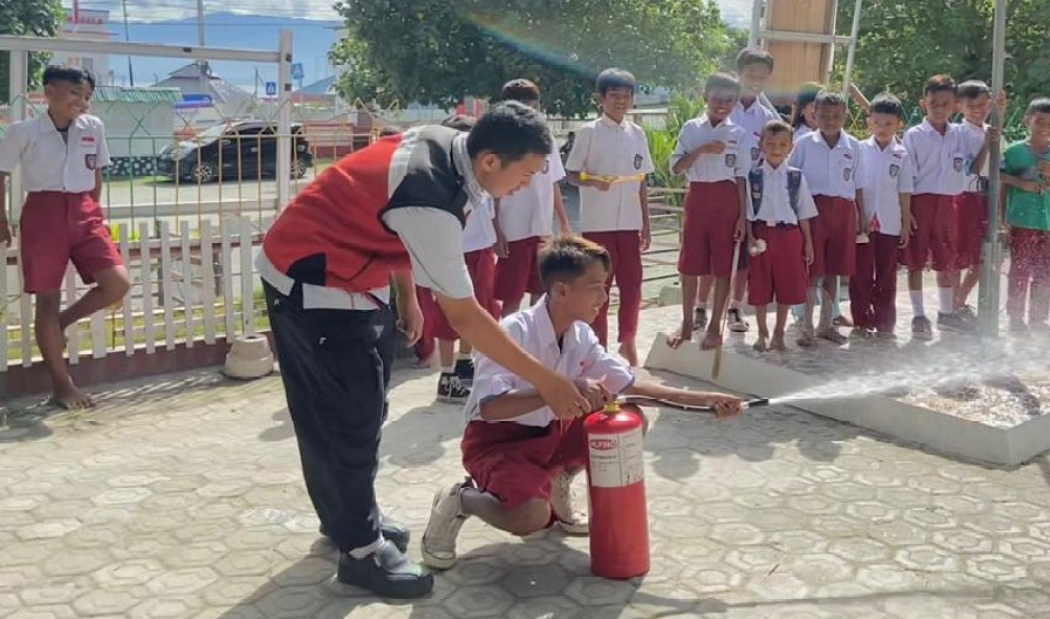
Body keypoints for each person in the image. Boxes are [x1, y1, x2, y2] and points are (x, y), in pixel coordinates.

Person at [258, 101, 589, 599]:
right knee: (348, 416)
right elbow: (465, 316)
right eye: (525, 175)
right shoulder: (430, 197)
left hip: (351, 274)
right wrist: (545, 378)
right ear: (491, 161)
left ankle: (347, 521)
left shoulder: (449, 145)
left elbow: (384, 213)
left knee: (353, 409)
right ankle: (361, 553)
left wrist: (406, 295)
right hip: (313, 281)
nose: (527, 187)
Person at [420, 234, 745, 569]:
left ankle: (558, 478)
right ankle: (461, 499)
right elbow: (489, 408)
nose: (604, 297)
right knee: (530, 517)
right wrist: (557, 388)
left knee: (628, 420)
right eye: (596, 286)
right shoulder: (513, 331)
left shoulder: (581, 335)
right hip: (498, 444)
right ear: (561, 290)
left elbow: (631, 387)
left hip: (551, 435)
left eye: (606, 286)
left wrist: (705, 400)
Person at [0, 65, 131, 410]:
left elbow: (96, 173)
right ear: (50, 92)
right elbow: (1, 175)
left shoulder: (93, 127)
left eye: (87, 96)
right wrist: (1, 218)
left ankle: (62, 323)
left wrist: (94, 213)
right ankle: (62, 385)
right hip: (43, 213)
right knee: (46, 298)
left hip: (84, 210)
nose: (82, 102)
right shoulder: (23, 132)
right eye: (75, 93)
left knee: (116, 282)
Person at [564, 68, 654, 366]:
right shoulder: (589, 132)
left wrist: (645, 223)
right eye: (614, 95)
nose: (620, 101)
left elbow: (641, 180)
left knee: (633, 286)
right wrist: (593, 181)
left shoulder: (637, 133)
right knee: (598, 289)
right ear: (600, 99)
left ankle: (627, 340)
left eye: (626, 96)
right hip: (598, 223)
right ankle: (596, 347)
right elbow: (572, 173)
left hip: (629, 223)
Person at [699, 48, 782, 335]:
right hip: (719, 189)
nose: (755, 80)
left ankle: (735, 306)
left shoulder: (767, 116)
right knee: (712, 252)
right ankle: (700, 307)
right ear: (739, 73)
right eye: (750, 74)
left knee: (745, 250)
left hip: (752, 189)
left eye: (762, 75)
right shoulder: (722, 107)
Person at [667, 72, 751, 351]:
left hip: (727, 201)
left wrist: (742, 216)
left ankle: (716, 326)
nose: (721, 104)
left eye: (728, 100)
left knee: (724, 265)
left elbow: (741, 178)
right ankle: (688, 322)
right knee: (690, 264)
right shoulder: (692, 129)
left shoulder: (739, 135)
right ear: (706, 97)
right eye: (716, 98)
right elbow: (677, 167)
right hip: (699, 197)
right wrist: (701, 149)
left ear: (736, 103)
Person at [901, 74, 976, 339]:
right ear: (924, 103)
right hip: (920, 203)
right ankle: (919, 315)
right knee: (915, 260)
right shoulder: (915, 135)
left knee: (947, 261)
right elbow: (906, 175)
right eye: (934, 103)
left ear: (955, 105)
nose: (939, 108)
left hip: (948, 204)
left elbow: (974, 162)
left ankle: (946, 313)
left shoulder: (960, 135)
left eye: (945, 103)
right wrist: (906, 210)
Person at [789, 91, 865, 346]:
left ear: (845, 116)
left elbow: (859, 185)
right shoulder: (804, 144)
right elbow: (792, 179)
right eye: (824, 115)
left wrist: (861, 217)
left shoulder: (853, 145)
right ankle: (806, 326)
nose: (830, 121)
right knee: (812, 270)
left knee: (834, 270)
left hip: (843, 212)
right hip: (813, 211)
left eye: (835, 116)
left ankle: (826, 324)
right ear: (814, 114)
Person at [491, 80, 570, 316]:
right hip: (513, 230)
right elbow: (491, 191)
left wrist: (564, 222)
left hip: (541, 230)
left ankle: (536, 344)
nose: (529, 112)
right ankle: (508, 347)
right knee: (512, 298)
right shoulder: (499, 142)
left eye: (533, 106)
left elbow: (553, 181)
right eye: (522, 107)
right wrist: (496, 229)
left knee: (541, 294)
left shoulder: (547, 139)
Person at [1001, 98, 1050, 337]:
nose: (1045, 127)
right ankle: (1015, 316)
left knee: (1044, 272)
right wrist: (1004, 215)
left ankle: (1038, 317)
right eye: (1039, 121)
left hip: (1049, 223)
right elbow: (1000, 179)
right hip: (1022, 221)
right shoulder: (1014, 152)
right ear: (1027, 121)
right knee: (1019, 270)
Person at [746, 120, 816, 352]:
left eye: (782, 144)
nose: (776, 148)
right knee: (759, 286)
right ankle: (762, 332)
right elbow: (747, 211)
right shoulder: (753, 176)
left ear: (791, 148)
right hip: (761, 234)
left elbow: (804, 211)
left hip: (789, 235)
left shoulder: (795, 178)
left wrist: (808, 243)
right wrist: (750, 238)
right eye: (771, 143)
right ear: (761, 145)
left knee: (787, 285)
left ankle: (778, 332)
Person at [852, 95, 913, 340]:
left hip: (890, 223)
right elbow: (854, 186)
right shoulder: (858, 149)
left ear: (898, 124)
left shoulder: (902, 154)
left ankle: (885, 322)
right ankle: (861, 320)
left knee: (887, 275)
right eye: (877, 122)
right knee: (861, 274)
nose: (882, 128)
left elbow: (905, 190)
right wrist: (858, 218)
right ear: (869, 122)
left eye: (888, 124)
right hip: (864, 223)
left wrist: (906, 223)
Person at [431, 195, 501, 402]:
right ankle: (446, 375)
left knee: (479, 306)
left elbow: (491, 207)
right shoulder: (447, 175)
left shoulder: (484, 174)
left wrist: (496, 233)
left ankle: (464, 361)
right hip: (455, 250)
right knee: (447, 308)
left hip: (482, 246)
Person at [951, 81, 1003, 317]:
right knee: (960, 254)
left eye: (983, 104)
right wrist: (986, 143)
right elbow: (972, 169)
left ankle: (960, 298)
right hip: (965, 197)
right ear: (960, 106)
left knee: (985, 255)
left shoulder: (992, 128)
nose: (978, 110)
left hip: (986, 197)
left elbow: (999, 170)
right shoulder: (959, 133)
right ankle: (953, 303)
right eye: (972, 105)